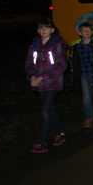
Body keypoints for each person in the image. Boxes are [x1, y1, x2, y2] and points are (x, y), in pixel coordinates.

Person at [25, 19, 67, 154]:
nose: (43, 30)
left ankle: (41, 141)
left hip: (52, 83)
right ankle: (59, 133)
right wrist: (32, 77)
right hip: (39, 84)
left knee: (45, 111)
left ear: (52, 30)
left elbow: (61, 65)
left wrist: (43, 77)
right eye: (40, 28)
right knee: (50, 109)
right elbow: (29, 64)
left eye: (46, 28)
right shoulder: (34, 45)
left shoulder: (57, 44)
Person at [69, 22, 93, 132]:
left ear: (92, 32)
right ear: (80, 33)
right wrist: (75, 77)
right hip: (84, 75)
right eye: (84, 31)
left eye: (89, 31)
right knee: (86, 98)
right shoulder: (76, 47)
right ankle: (89, 117)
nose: (87, 33)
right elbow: (75, 63)